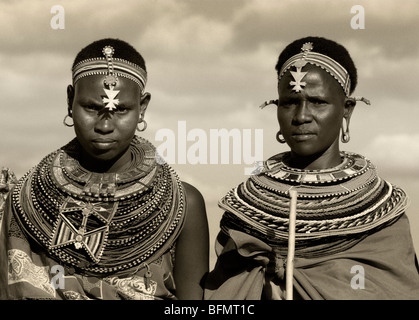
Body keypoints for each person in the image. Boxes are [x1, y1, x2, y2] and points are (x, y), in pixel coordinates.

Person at [204, 36, 419, 300]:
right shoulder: (245, 213)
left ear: (347, 110)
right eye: (289, 102)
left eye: (318, 102)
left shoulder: (381, 217)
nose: (301, 116)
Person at [0, 38, 209, 300]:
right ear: (70, 100)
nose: (105, 126)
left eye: (121, 109)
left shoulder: (183, 205)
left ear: (142, 108)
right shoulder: (25, 199)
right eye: (91, 107)